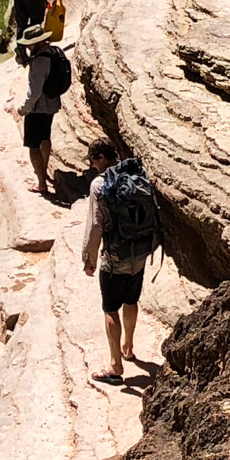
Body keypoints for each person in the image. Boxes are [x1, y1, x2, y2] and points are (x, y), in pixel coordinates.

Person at [81, 141, 160, 385]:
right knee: (131, 300)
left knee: (110, 308)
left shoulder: (100, 185)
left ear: (101, 157)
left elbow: (95, 225)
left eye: (92, 161)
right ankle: (128, 347)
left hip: (114, 257)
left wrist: (89, 258)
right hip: (140, 253)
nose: (92, 166)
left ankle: (115, 366)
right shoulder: (136, 174)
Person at [14, 25, 71, 197]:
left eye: (30, 44)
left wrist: (25, 109)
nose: (28, 47)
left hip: (38, 108)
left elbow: (35, 91)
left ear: (37, 42)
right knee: (45, 138)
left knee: (33, 145)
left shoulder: (39, 61)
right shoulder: (54, 52)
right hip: (52, 104)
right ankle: (44, 171)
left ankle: (41, 184)